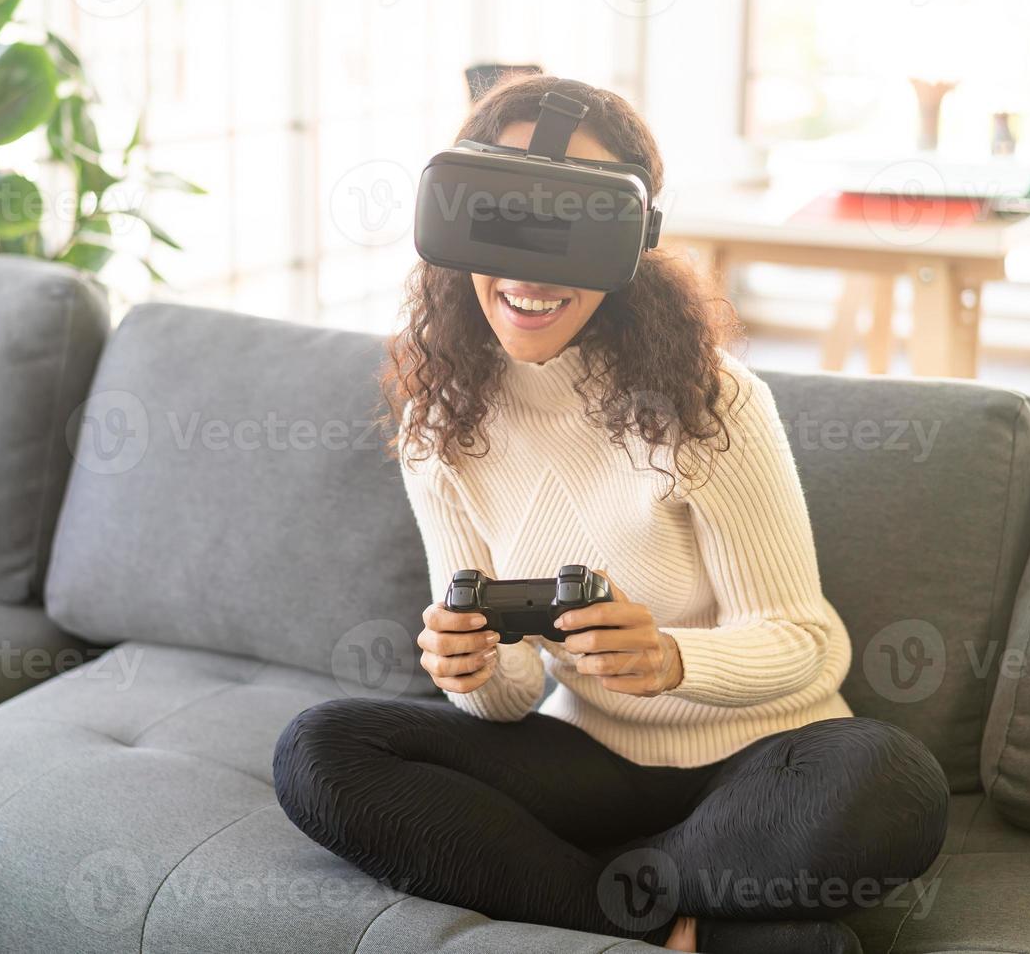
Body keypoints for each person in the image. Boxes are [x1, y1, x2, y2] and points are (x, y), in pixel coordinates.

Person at [273, 75, 948, 953]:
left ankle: (614, 888)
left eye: (571, 227)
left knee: (891, 779)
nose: (528, 270)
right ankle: (652, 907)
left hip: (762, 764)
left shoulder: (711, 401)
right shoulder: (438, 424)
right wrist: (468, 668)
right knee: (320, 751)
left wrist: (669, 658)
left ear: (631, 243)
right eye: (501, 219)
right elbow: (511, 698)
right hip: (591, 760)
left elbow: (806, 641)